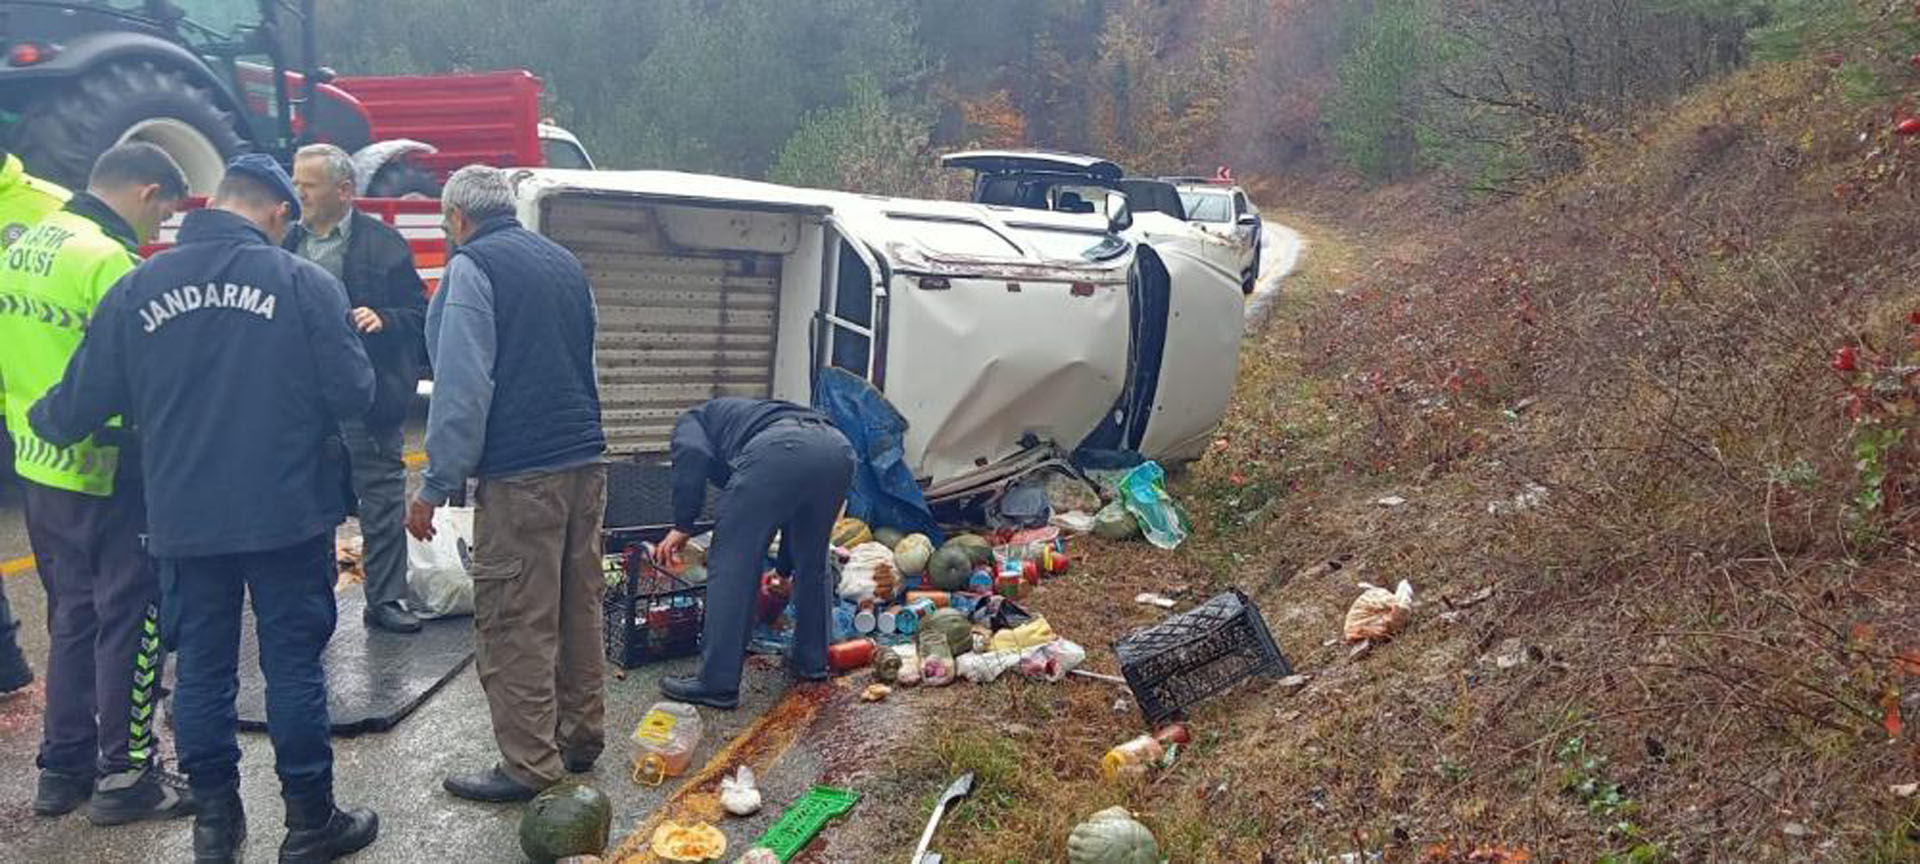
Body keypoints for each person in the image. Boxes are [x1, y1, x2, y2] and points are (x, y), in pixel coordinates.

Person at [30, 153, 379, 864]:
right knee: (292, 667)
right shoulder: (303, 282)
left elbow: (70, 412)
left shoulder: (137, 290)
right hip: (287, 513)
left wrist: (34, 413)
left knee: (202, 672)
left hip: (184, 520)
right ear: (277, 212)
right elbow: (355, 394)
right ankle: (311, 821)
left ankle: (216, 828)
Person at [1, 142, 192, 825]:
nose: (159, 228)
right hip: (106, 468)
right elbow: (135, 372)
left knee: (72, 617)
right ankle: (128, 771)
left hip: (36, 464)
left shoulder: (24, 240)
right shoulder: (108, 260)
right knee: (131, 620)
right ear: (146, 191)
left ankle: (63, 767)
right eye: (162, 213)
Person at [406, 165, 607, 803]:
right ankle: (581, 738)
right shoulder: (564, 264)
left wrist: (436, 483)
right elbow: (586, 364)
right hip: (585, 462)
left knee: (517, 621)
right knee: (579, 605)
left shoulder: (473, 267)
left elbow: (463, 387)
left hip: (523, 475)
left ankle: (528, 765)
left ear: (457, 220)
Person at [288, 143, 428, 635]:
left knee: (382, 498)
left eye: (309, 183)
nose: (298, 191)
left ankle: (386, 599)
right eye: (296, 181)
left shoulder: (384, 244)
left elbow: (420, 314)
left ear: (344, 191)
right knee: (307, 500)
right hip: (304, 402)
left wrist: (384, 318)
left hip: (369, 397)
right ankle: (312, 602)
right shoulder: (284, 243)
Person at [651, 397, 854, 710]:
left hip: (780, 449)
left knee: (732, 559)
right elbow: (796, 513)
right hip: (836, 449)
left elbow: (692, 453)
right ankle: (812, 662)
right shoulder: (747, 416)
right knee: (813, 560)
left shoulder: (693, 419)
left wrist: (683, 524)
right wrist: (784, 570)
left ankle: (716, 682)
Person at [0, 145, 68, 697]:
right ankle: (5, 661)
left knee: (63, 554)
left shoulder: (47, 207)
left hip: (29, 408)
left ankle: (85, 681)